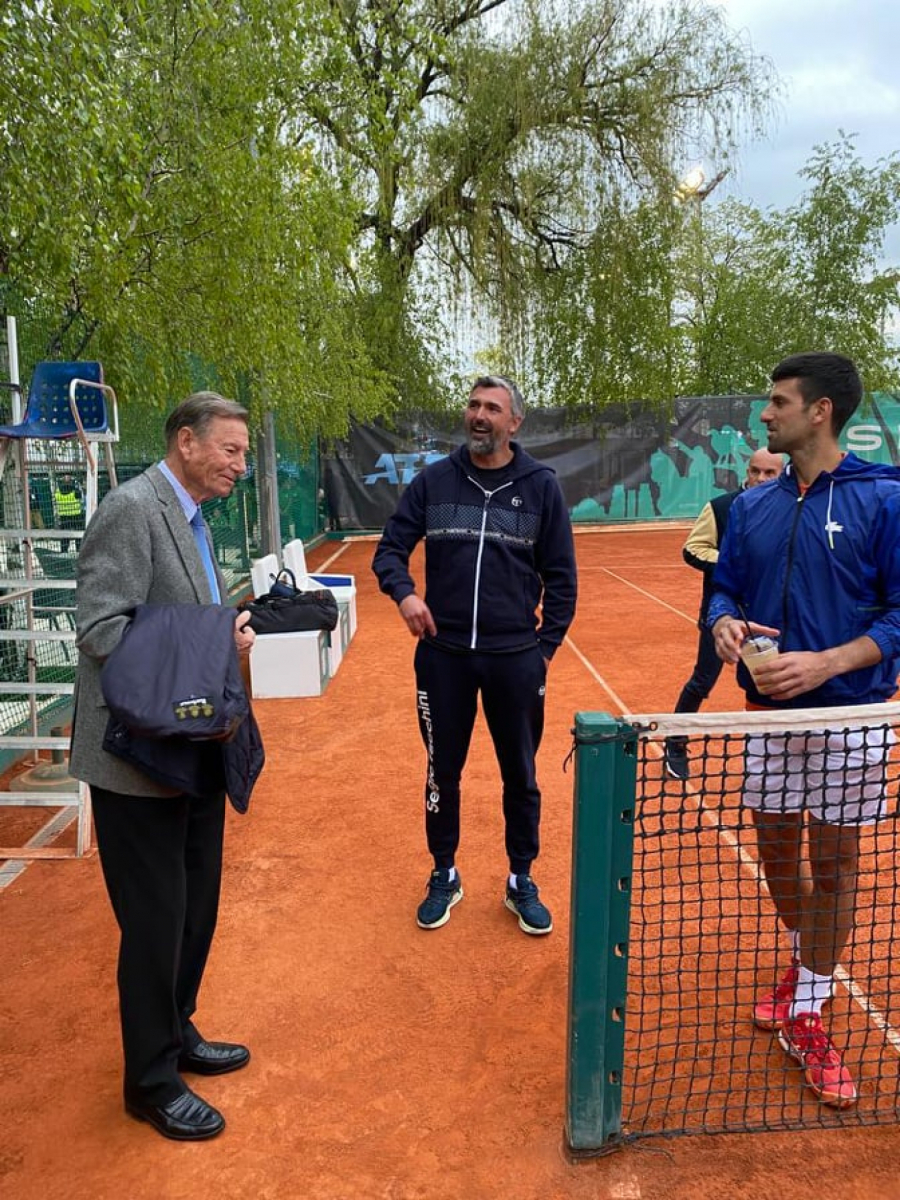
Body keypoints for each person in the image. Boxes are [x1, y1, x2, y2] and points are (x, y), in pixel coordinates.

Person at [708, 352, 900, 1110]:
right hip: (768, 716)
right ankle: (809, 959)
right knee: (778, 852)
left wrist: (826, 663)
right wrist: (723, 623)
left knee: (839, 862)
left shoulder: (884, 498)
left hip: (851, 715)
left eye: (778, 402)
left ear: (820, 411)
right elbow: (723, 586)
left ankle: (810, 1006)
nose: (765, 413)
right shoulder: (752, 505)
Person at [69, 392, 258, 1141]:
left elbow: (181, 613)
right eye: (231, 451)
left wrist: (226, 635)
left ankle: (175, 1032)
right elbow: (100, 630)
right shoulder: (130, 508)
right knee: (154, 923)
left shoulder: (193, 517)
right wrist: (212, 645)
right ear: (187, 442)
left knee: (196, 909)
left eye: (244, 453)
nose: (240, 466)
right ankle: (149, 1080)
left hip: (193, 745)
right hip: (136, 757)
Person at [372, 375, 577, 935]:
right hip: (443, 659)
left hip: (516, 659)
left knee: (521, 774)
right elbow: (390, 549)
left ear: (514, 423)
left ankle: (520, 878)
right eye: (473, 405)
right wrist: (406, 593)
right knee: (443, 770)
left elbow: (562, 578)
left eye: (493, 408)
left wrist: (544, 649)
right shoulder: (435, 481)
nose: (479, 415)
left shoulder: (540, 487)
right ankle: (445, 872)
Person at [664, 447, 784, 780]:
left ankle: (780, 753)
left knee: (774, 686)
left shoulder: (789, 507)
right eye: (754, 471)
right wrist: (730, 565)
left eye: (769, 473)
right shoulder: (720, 507)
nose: (759, 478)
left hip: (769, 618)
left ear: (782, 472)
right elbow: (693, 549)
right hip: (723, 617)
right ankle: (675, 743)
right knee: (702, 681)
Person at [54, 472, 84, 552]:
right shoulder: (75, 490)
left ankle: (63, 552)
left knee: (65, 537)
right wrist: (77, 485)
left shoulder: (57, 491)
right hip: (76, 516)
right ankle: (79, 552)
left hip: (64, 517)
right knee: (79, 536)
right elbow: (81, 498)